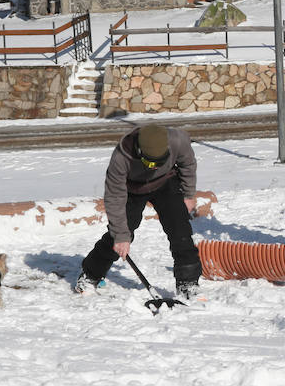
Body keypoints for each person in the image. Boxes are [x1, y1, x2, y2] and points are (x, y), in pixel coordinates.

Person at [75, 123, 201, 297]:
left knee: (180, 229)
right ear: (139, 152)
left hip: (166, 182)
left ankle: (188, 283)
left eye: (159, 162)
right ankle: (90, 275)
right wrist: (121, 236)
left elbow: (188, 164)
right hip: (133, 188)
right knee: (119, 234)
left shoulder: (178, 141)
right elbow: (114, 198)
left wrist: (188, 194)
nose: (154, 167)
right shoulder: (121, 158)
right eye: (150, 163)